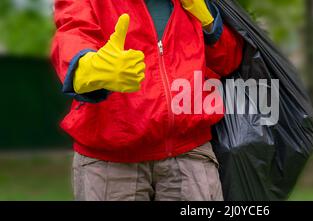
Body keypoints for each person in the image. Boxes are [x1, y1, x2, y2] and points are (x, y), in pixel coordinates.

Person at [51, 0, 243, 201]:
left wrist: (209, 24)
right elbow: (72, 35)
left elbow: (228, 62)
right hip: (111, 162)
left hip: (190, 154)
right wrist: (88, 67)